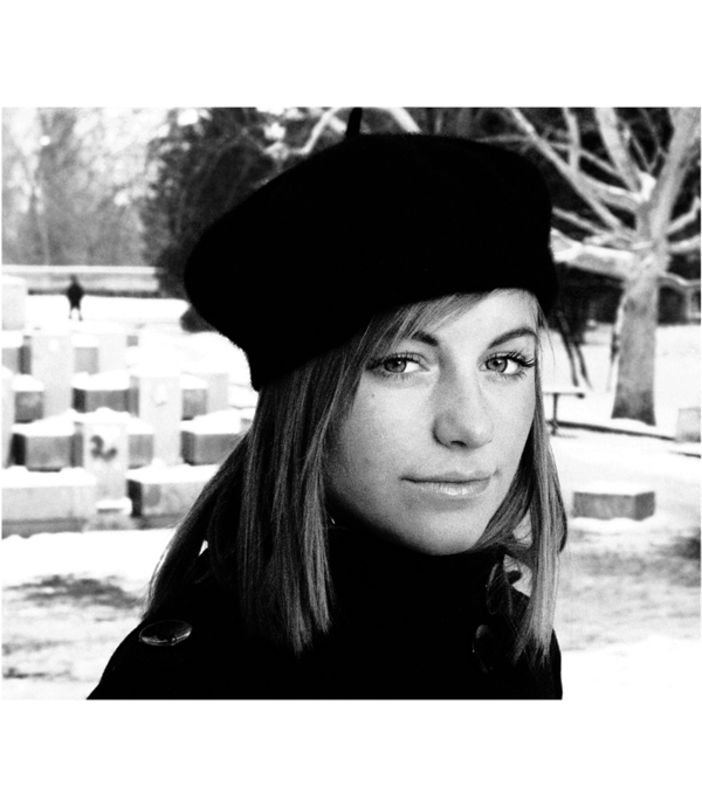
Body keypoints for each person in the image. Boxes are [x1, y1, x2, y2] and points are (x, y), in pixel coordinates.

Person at [89, 124, 567, 700]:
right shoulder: (188, 682)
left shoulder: (518, 641)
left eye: (506, 361)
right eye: (401, 364)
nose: (471, 426)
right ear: (304, 404)